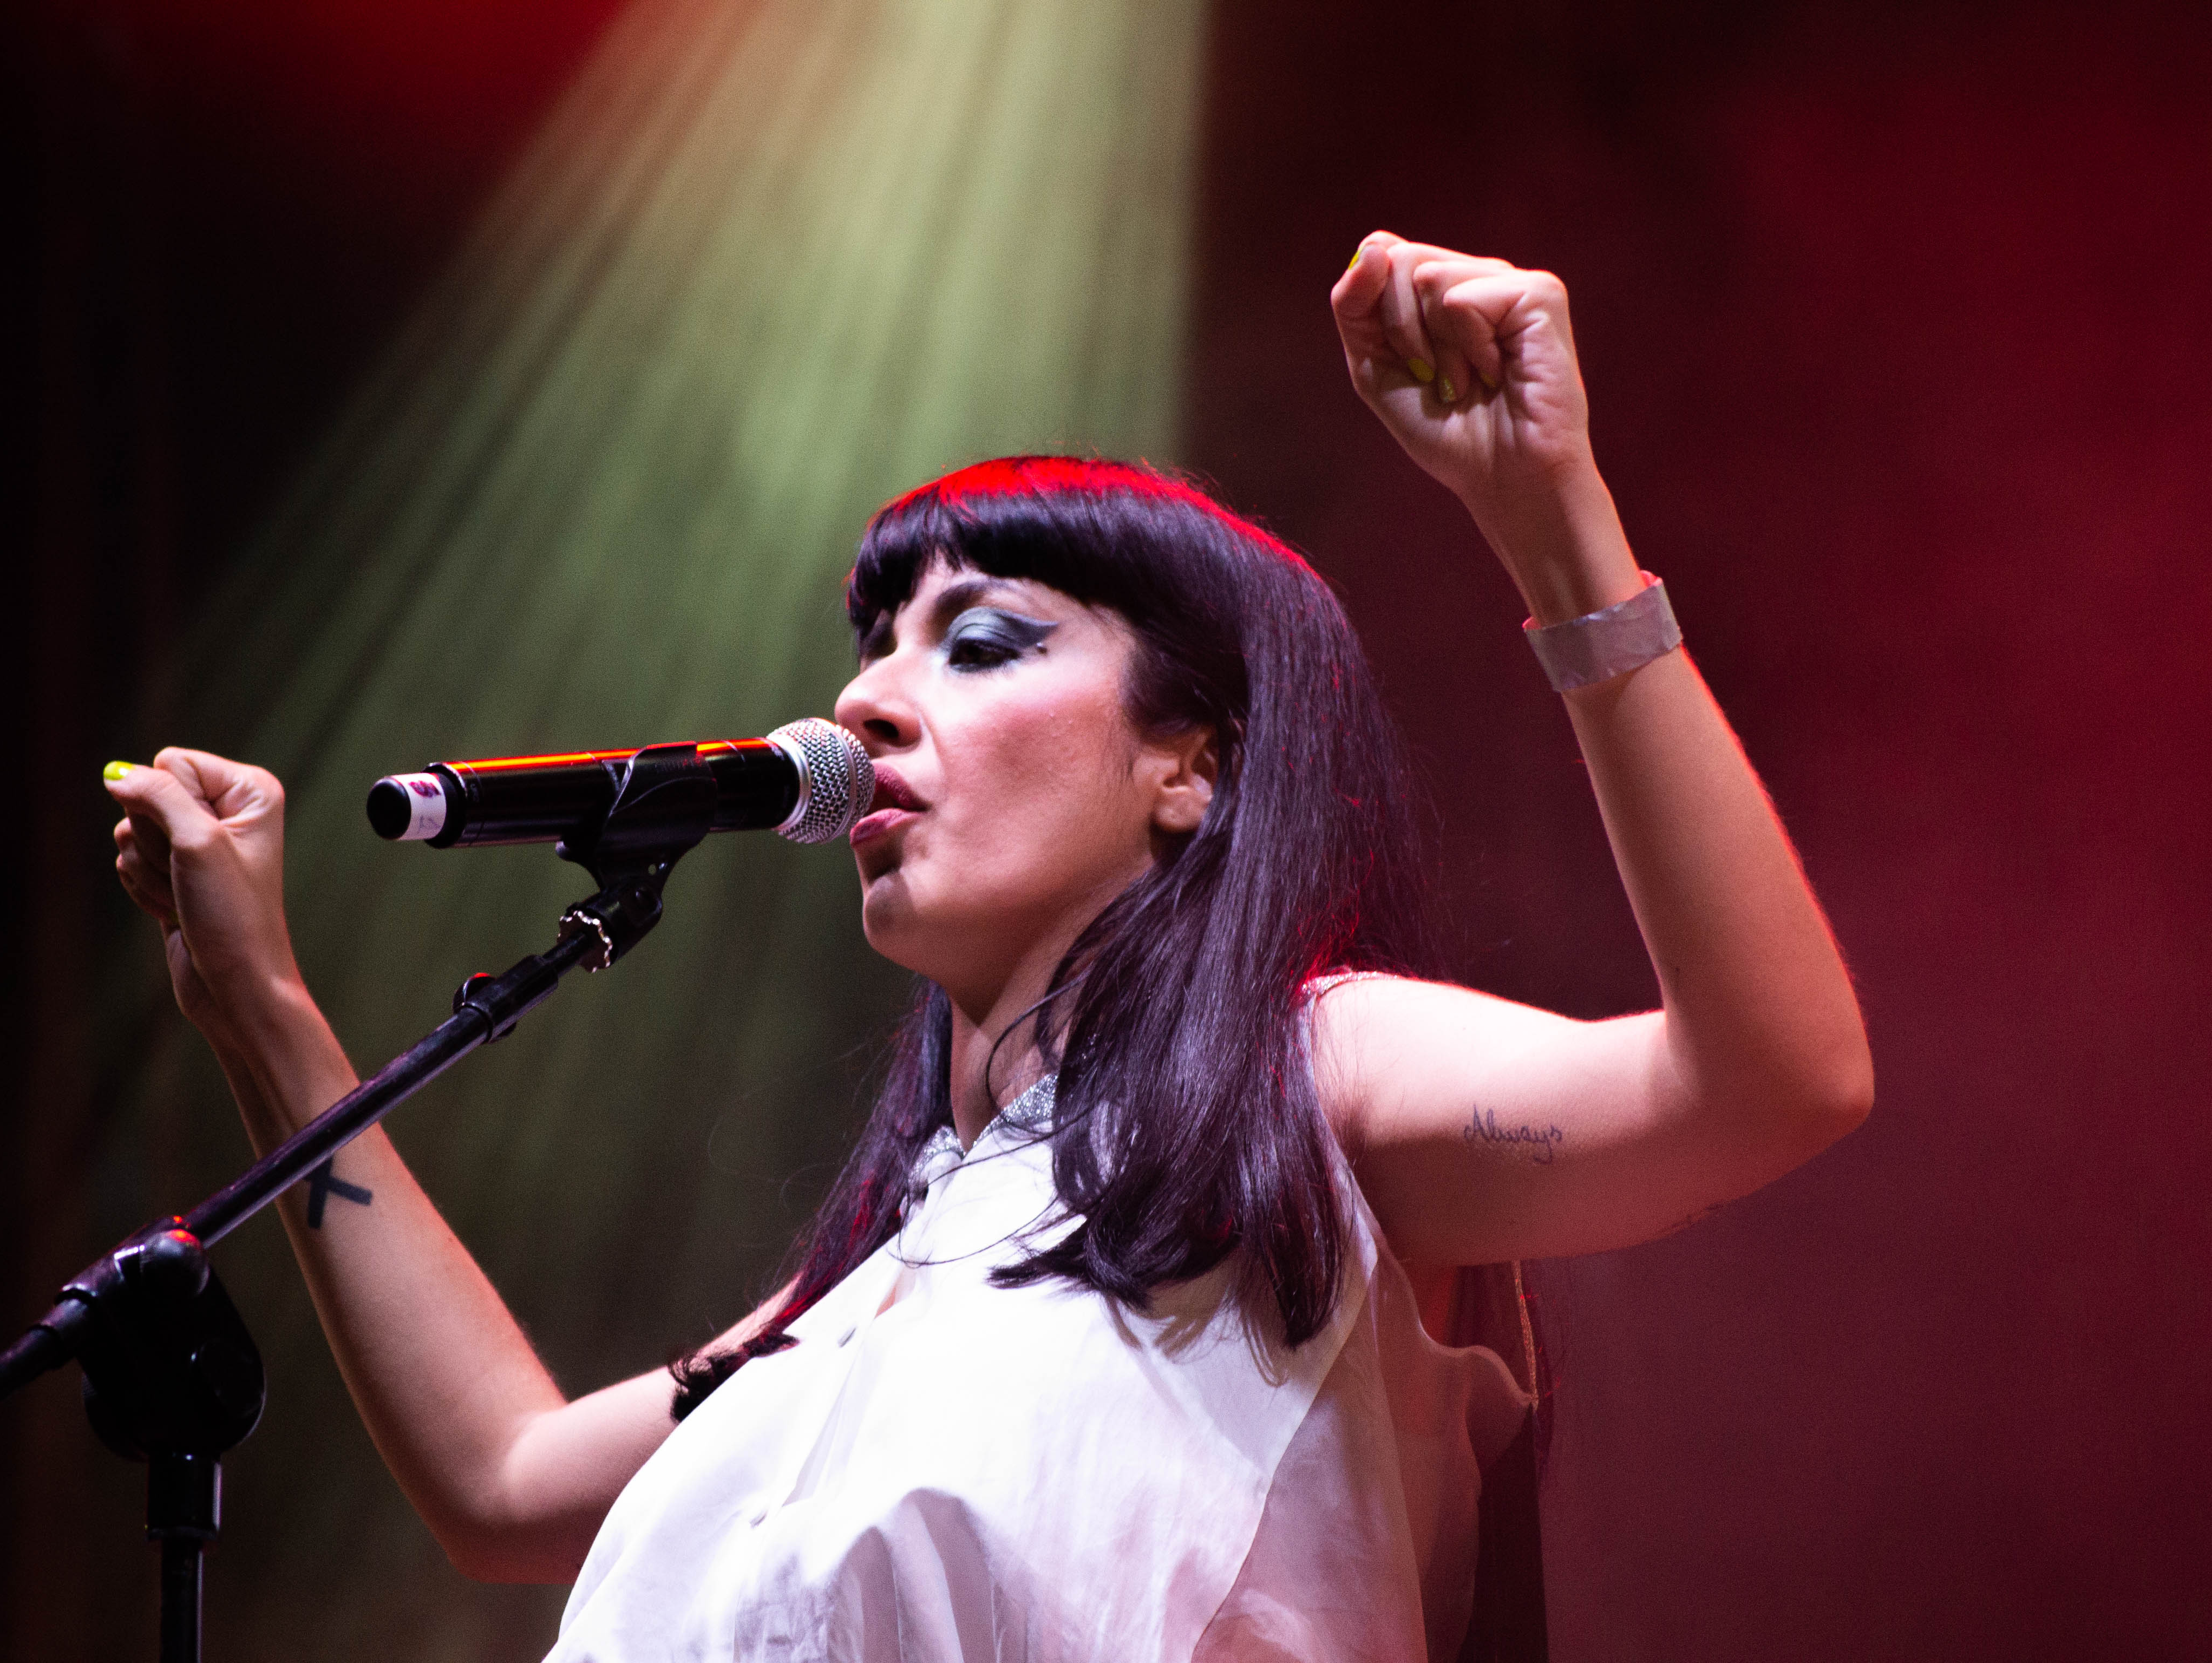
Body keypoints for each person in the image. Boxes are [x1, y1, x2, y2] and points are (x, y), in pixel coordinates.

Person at [104, 233, 1871, 1661]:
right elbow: (504, 1484)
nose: (867, 699)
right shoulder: (894, 1275)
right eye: (876, 644)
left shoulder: (1305, 1073)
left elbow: (1766, 1083)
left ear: (1194, 767)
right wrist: (263, 1011)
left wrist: (1558, 528)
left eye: (982, 641)